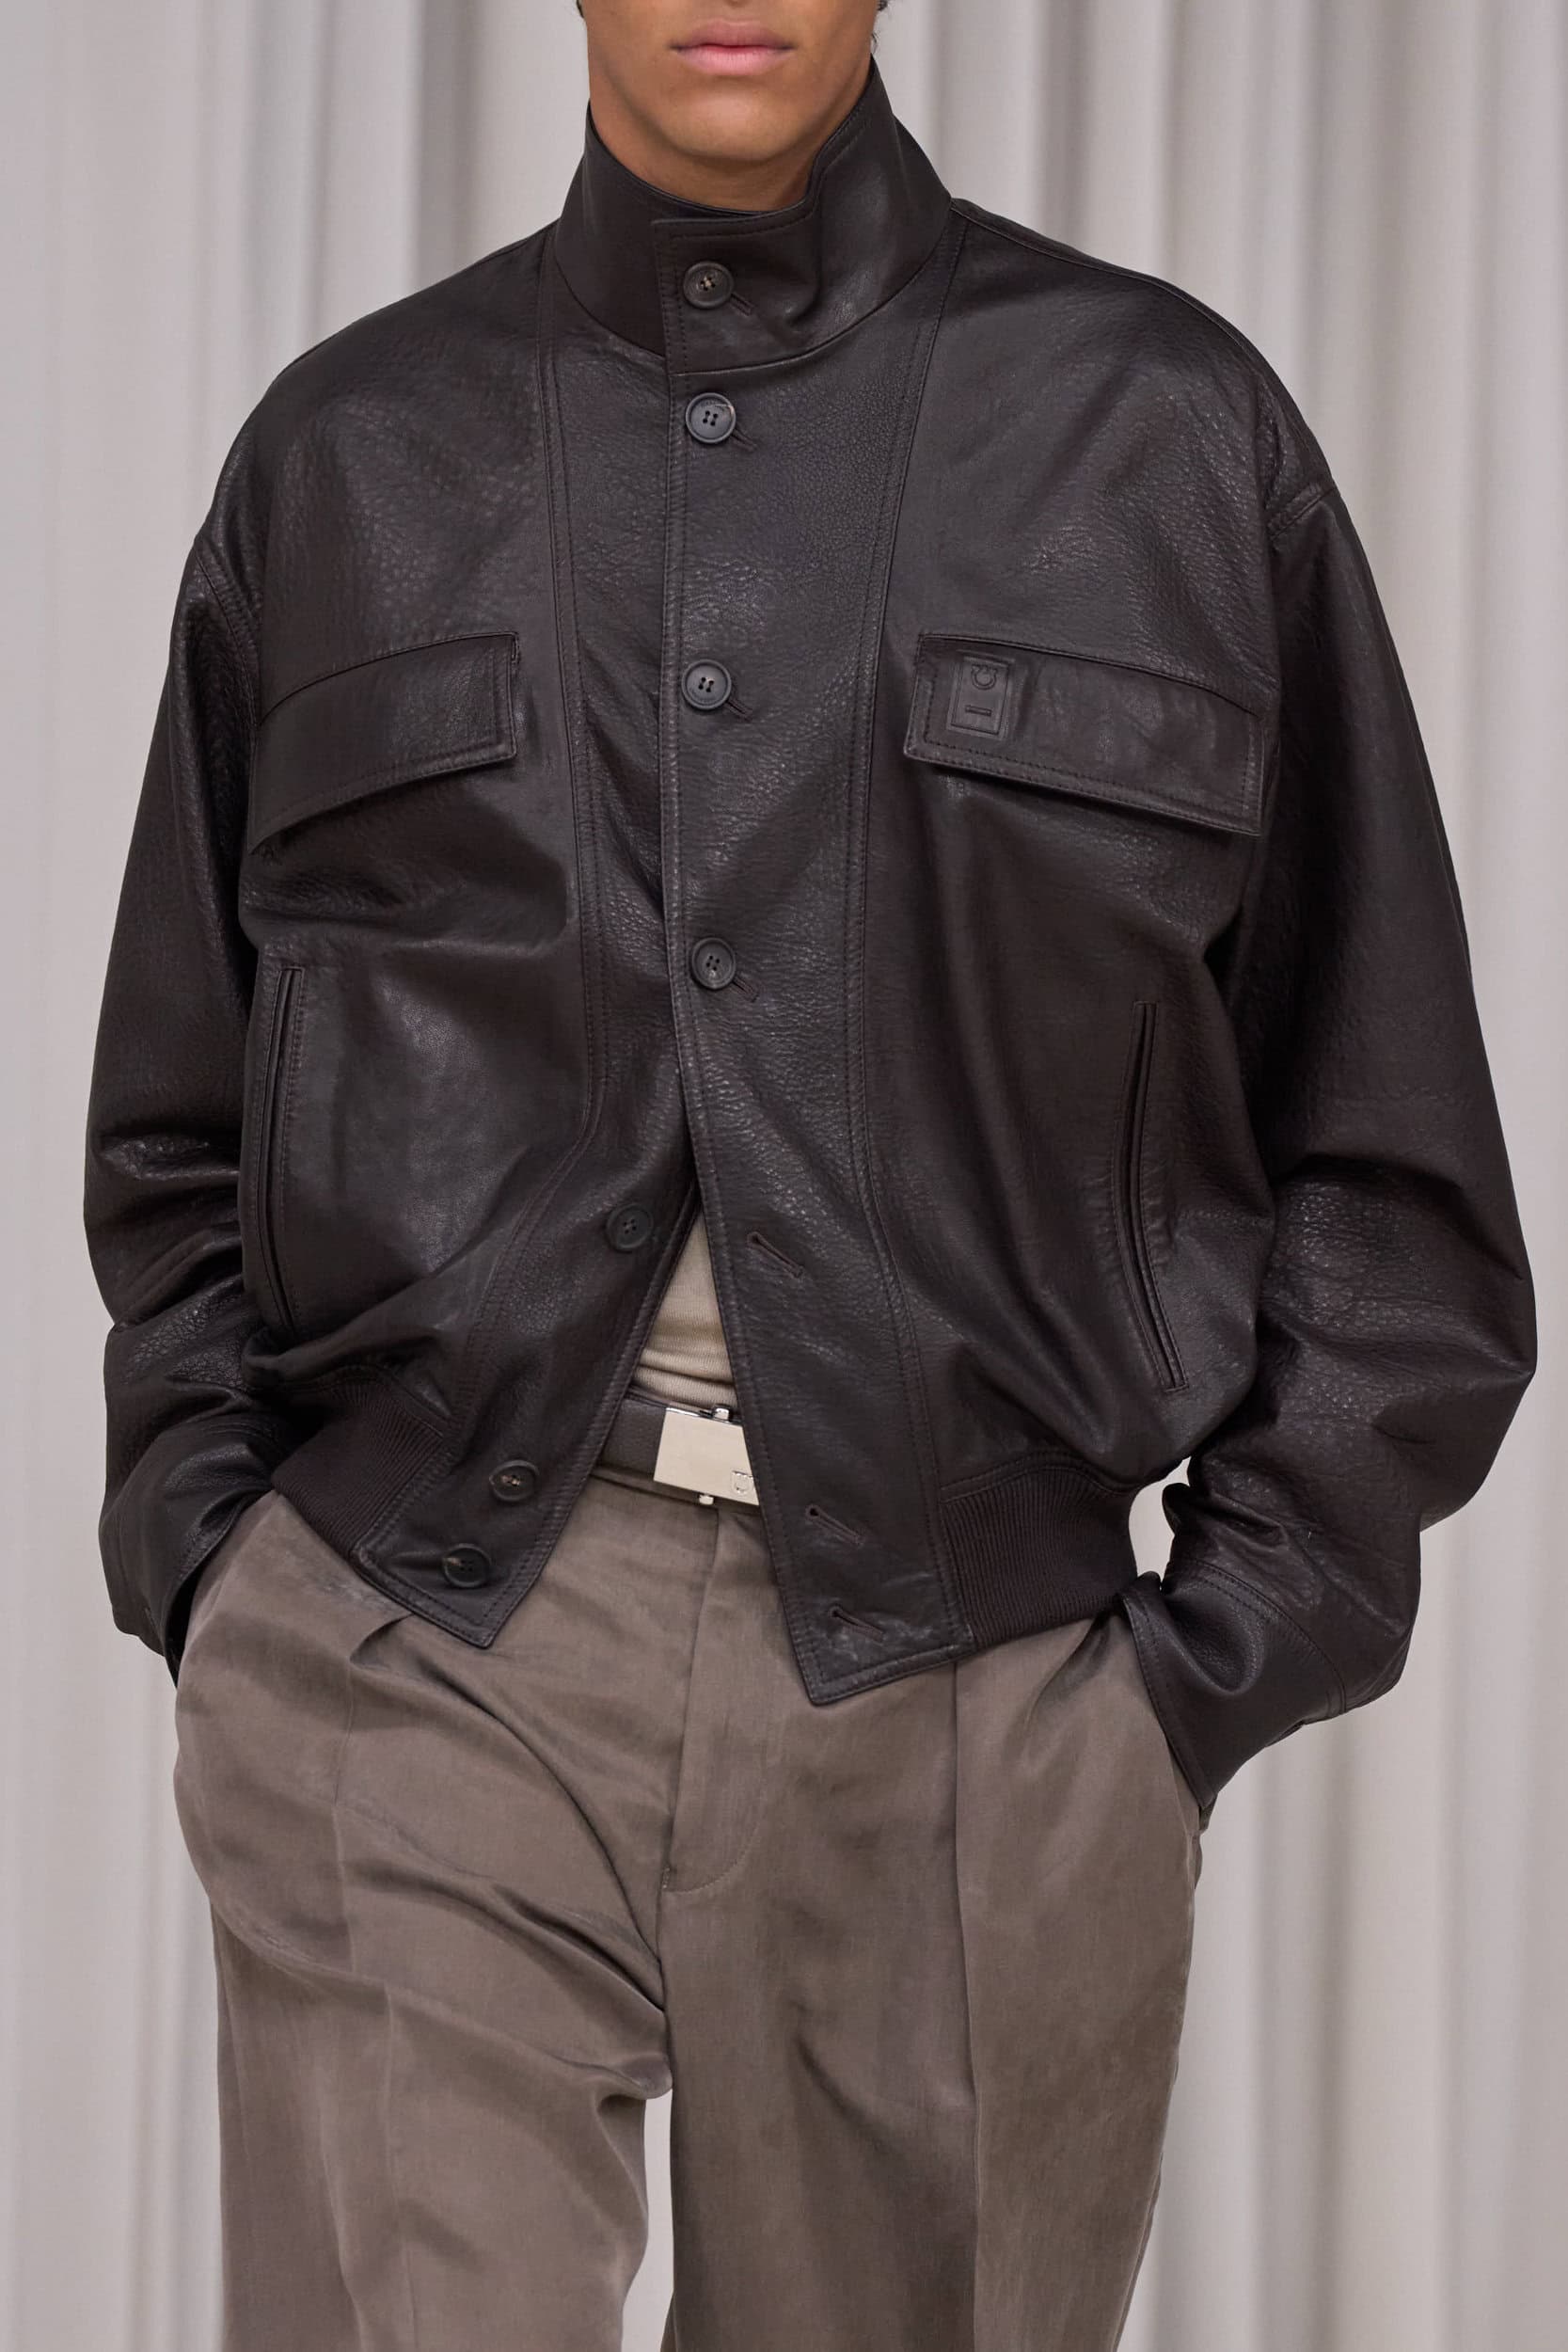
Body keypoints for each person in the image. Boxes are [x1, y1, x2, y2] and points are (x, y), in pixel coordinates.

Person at [82, 3, 1536, 2346]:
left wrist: (1179, 1687)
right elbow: (178, 1113)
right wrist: (224, 1564)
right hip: (421, 1641)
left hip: (975, 1697)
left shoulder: (1170, 438)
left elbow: (1390, 1157)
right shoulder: (347, 457)